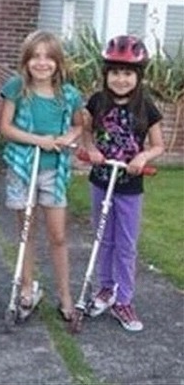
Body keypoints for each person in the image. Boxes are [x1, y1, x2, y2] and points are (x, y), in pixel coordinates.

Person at [0, 30, 84, 322]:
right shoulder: (16, 88)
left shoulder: (68, 95)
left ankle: (65, 294)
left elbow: (78, 125)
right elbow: (5, 128)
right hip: (22, 168)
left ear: (58, 62)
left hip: (53, 171)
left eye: (48, 57)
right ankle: (26, 287)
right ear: (26, 61)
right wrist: (38, 141)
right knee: (26, 231)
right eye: (35, 56)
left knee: (58, 235)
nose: (42, 62)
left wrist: (67, 137)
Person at [83, 35, 164, 332]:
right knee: (103, 238)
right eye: (115, 72)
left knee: (126, 245)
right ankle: (105, 289)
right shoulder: (97, 102)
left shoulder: (147, 107)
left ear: (138, 76)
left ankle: (124, 300)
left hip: (129, 186)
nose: (121, 79)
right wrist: (91, 149)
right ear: (106, 74)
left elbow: (158, 145)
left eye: (128, 73)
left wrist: (143, 157)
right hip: (101, 180)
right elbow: (86, 131)